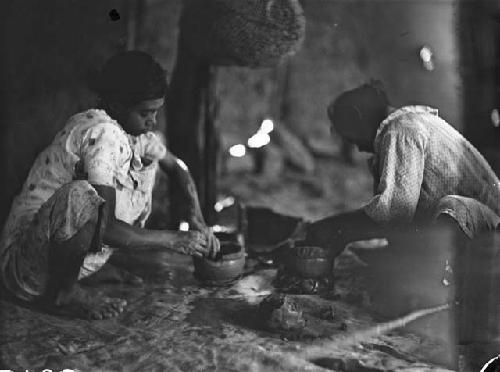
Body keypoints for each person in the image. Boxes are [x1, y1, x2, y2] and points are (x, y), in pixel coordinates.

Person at [0, 51, 220, 320]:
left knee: (147, 160)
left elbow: (178, 167)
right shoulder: (103, 133)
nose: (152, 121)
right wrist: (175, 240)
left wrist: (196, 217)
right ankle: (64, 293)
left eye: (156, 112)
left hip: (48, 250)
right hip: (23, 269)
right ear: (116, 105)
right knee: (82, 196)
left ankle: (79, 270)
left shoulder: (131, 133)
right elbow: (107, 227)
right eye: (145, 113)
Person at [303, 82, 500, 256]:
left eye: (351, 139)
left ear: (357, 116)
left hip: (490, 232)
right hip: (477, 234)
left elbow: (395, 212)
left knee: (455, 208)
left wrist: (336, 227)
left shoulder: (402, 129)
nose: (357, 147)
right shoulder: (407, 125)